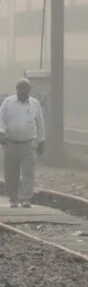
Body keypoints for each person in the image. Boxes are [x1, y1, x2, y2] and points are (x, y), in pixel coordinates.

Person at [0, 78, 45, 208]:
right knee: (11, 172)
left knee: (28, 173)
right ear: (16, 89)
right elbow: (1, 118)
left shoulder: (35, 104)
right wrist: (1, 133)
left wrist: (42, 140)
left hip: (29, 144)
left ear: (29, 91)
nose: (23, 92)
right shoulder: (8, 103)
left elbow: (40, 123)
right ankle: (13, 198)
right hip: (11, 143)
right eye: (20, 89)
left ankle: (26, 198)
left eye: (25, 89)